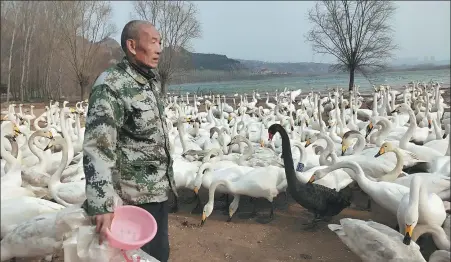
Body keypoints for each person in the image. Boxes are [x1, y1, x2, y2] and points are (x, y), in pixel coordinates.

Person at [82, 20, 177, 262]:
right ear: (132, 46)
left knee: (158, 255)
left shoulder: (149, 81)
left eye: (160, 42)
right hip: (131, 199)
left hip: (157, 192)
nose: (159, 49)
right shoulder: (111, 86)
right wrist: (101, 204)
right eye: (153, 42)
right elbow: (97, 147)